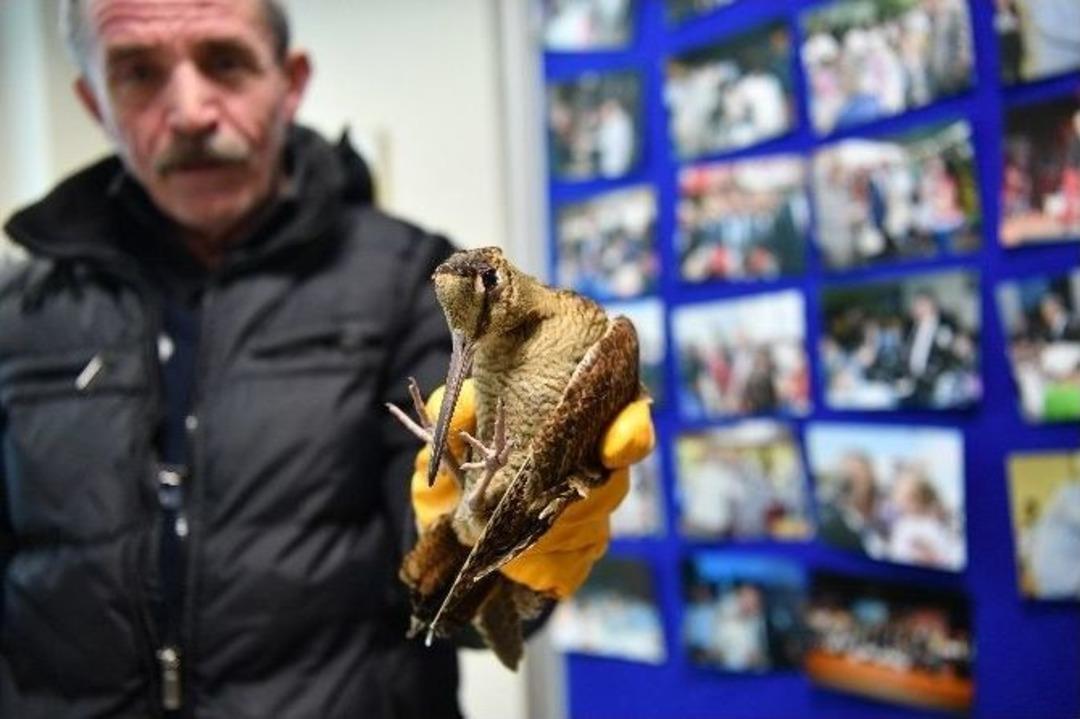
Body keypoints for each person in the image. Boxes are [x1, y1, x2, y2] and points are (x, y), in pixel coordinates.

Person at [0, 1, 652, 717]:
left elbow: (458, 597)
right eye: (137, 74)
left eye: (224, 61)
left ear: (291, 80)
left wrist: (495, 549)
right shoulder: (18, 311)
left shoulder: (413, 281)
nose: (187, 110)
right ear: (94, 98)